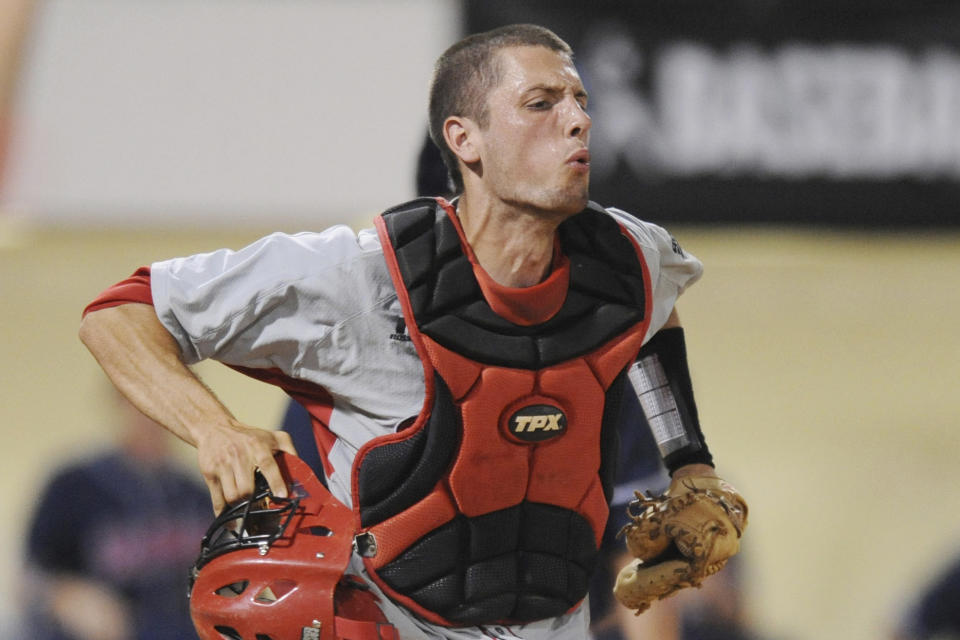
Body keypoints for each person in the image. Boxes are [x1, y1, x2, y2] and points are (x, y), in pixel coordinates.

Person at [78, 24, 744, 639]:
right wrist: (213, 429)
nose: (578, 120)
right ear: (464, 139)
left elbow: (660, 303)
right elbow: (120, 313)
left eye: (579, 100)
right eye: (542, 103)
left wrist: (690, 456)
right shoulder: (359, 275)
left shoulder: (627, 259)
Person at [22, 391, 210, 640]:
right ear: (120, 402)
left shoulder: (194, 494)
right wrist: (67, 596)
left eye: (169, 404)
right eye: (143, 404)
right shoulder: (74, 486)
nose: (154, 417)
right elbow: (31, 578)